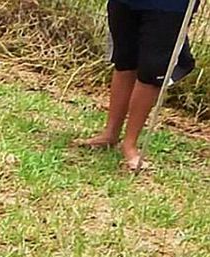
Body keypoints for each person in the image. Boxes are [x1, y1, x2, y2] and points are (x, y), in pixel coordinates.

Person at [76, 0, 197, 170]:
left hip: (170, 6)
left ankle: (130, 145)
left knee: (151, 71)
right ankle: (110, 134)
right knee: (124, 62)